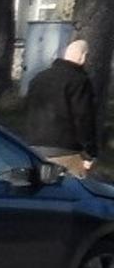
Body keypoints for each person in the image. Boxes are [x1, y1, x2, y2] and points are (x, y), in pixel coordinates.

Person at [22, 39, 98, 175]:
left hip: (33, 148)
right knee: (75, 191)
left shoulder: (38, 78)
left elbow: (27, 111)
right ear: (83, 57)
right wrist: (89, 153)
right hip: (66, 150)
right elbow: (83, 118)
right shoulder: (79, 81)